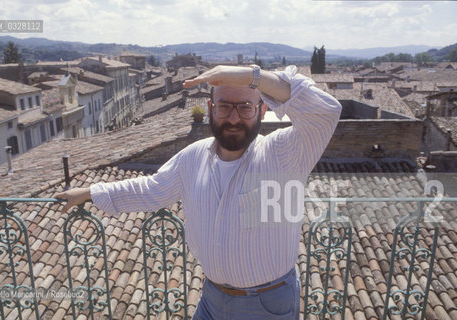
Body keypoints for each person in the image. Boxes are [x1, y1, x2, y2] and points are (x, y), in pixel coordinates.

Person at [56, 64, 342, 320]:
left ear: (263, 109)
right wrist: (91, 191)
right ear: (209, 108)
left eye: (245, 106)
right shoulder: (193, 157)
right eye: (223, 107)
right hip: (211, 299)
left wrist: (250, 75)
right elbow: (152, 188)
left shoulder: (285, 154)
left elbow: (325, 111)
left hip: (265, 305)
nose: (233, 118)